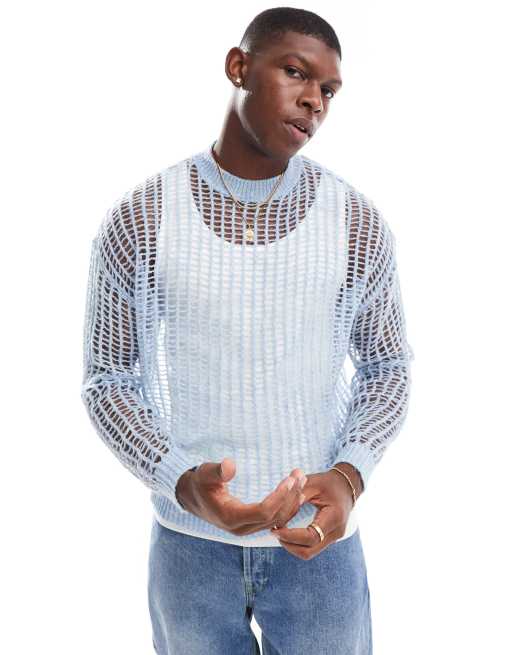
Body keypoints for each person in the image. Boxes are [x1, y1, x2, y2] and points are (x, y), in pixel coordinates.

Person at [81, 7, 414, 654]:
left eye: (328, 90)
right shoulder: (143, 218)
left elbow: (387, 369)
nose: (314, 100)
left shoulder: (354, 223)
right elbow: (108, 379)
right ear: (238, 66)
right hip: (188, 548)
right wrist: (183, 482)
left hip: (319, 545)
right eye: (295, 72)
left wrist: (349, 476)